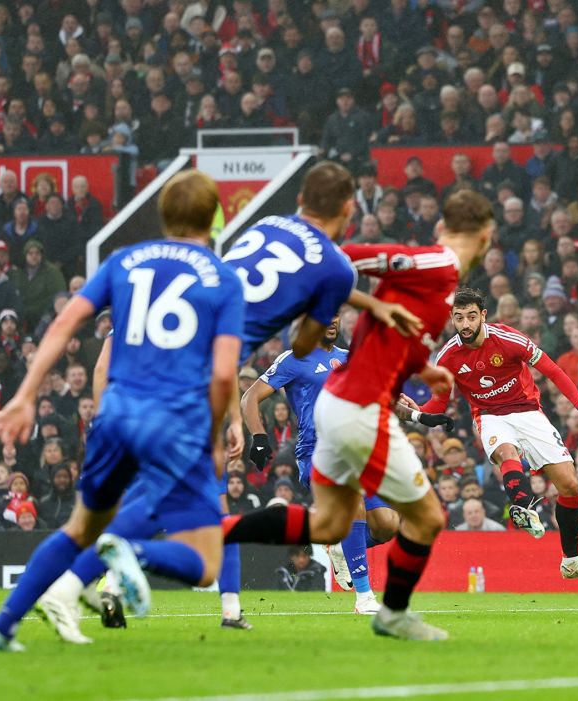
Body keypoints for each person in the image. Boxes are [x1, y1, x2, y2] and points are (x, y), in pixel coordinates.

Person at [35, 162, 424, 639]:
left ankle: (73, 589)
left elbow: (99, 354)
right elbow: (292, 349)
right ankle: (94, 576)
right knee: (190, 518)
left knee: (160, 503)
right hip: (196, 380)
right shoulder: (330, 269)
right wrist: (241, 422)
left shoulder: (252, 234)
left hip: (162, 375)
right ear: (347, 208)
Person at [0, 170, 246, 652]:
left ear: (163, 214)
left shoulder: (125, 260)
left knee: (80, 527)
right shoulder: (222, 279)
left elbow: (65, 323)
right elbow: (224, 375)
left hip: (115, 415)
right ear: (213, 217)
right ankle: (131, 552)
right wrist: (214, 440)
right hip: (175, 424)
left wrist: (24, 395)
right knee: (204, 558)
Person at [223, 190, 496, 641]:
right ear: (485, 236)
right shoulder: (439, 265)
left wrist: (418, 370)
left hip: (353, 404)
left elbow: (385, 338)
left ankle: (224, 529)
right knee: (420, 517)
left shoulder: (434, 279)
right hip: (353, 411)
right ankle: (376, 603)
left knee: (369, 523)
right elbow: (349, 256)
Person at [241, 316, 451, 614]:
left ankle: (340, 543)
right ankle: (364, 597)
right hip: (318, 451)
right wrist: (259, 437)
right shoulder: (294, 358)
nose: (331, 322)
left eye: (335, 316)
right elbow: (250, 397)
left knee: (388, 525)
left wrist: (419, 418)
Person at [415, 287, 578, 586]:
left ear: (483, 316)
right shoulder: (448, 357)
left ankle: (571, 561)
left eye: (470, 317)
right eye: (458, 318)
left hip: (529, 411)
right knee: (507, 452)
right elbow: (438, 405)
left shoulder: (508, 339)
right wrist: (414, 411)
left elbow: (553, 371)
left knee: (569, 485)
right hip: (489, 416)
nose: (464, 324)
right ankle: (523, 506)